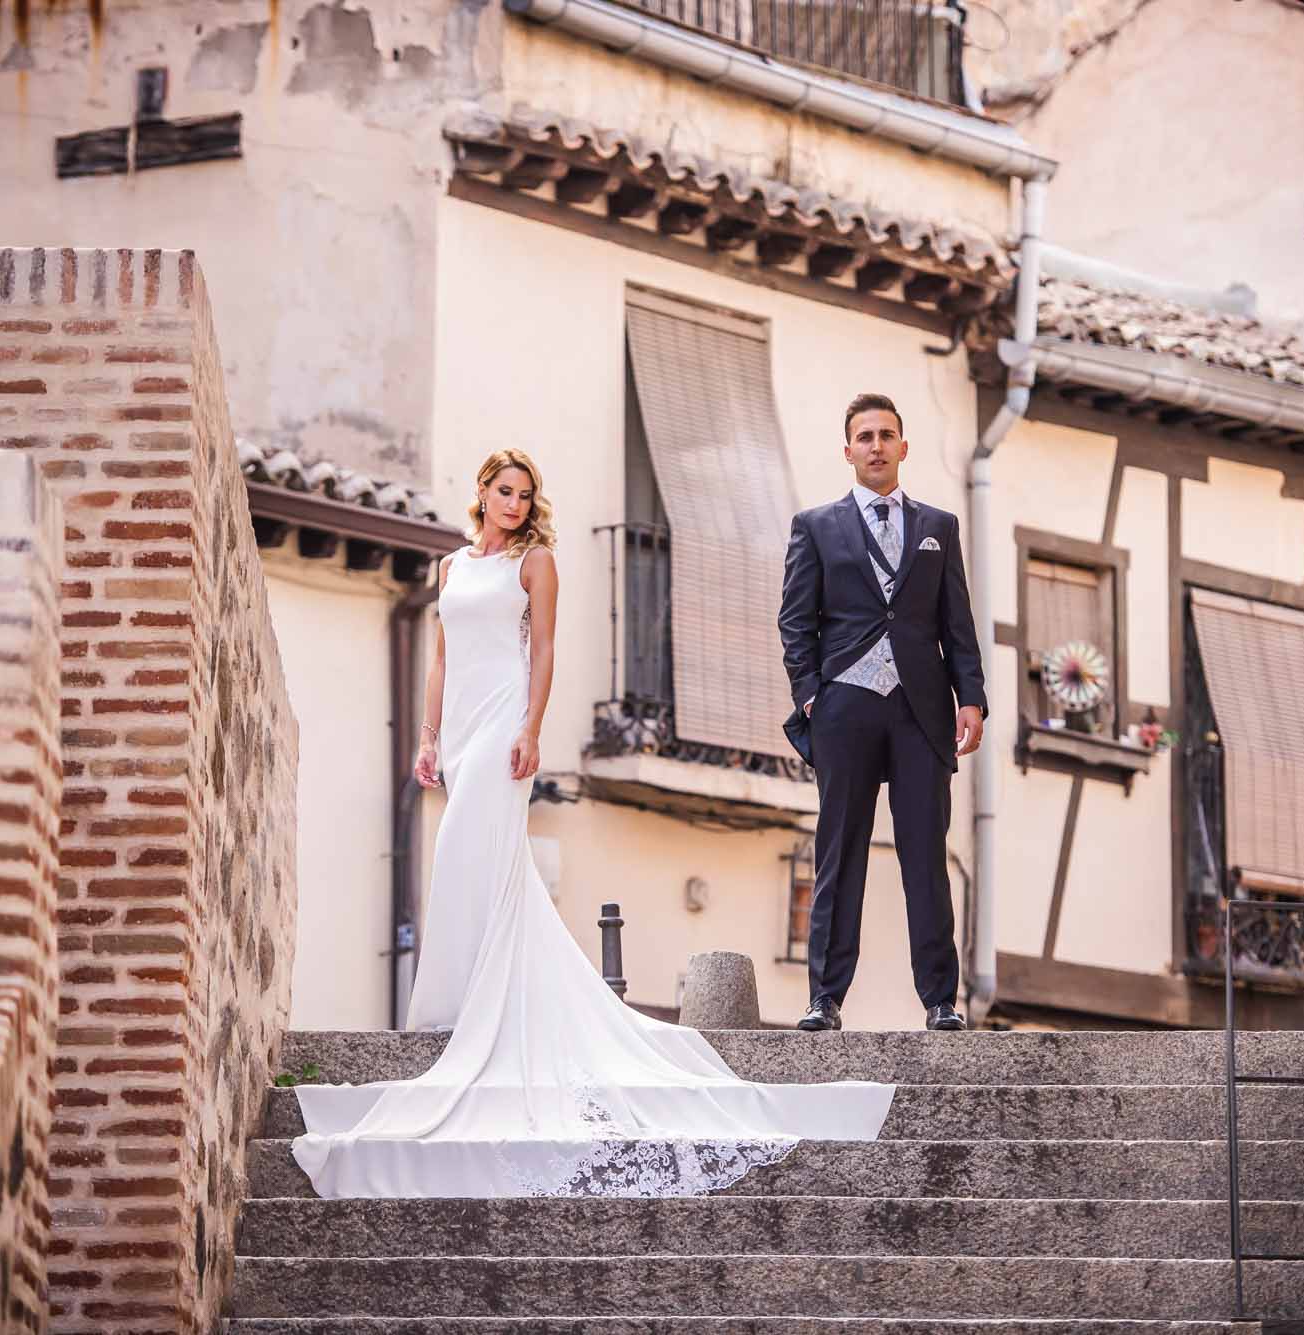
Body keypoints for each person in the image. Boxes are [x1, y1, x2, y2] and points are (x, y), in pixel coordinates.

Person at [291, 448, 894, 1199]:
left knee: (481, 842)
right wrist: (427, 735)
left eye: (524, 493)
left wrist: (533, 728)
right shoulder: (448, 568)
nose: (514, 503)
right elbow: (440, 658)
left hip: (507, 712)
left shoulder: (535, 562)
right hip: (463, 718)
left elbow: (543, 649)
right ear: (481, 493)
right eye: (503, 491)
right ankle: (454, 1002)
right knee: (456, 848)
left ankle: (480, 1004)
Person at [778, 393, 988, 1033]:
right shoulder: (815, 526)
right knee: (839, 852)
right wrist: (811, 692)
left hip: (923, 708)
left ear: (903, 446)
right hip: (844, 704)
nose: (875, 445)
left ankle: (940, 1002)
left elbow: (957, 620)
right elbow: (795, 619)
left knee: (926, 854)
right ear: (848, 451)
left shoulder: (939, 527)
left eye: (886, 435)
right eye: (864, 436)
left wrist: (971, 697)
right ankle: (825, 998)